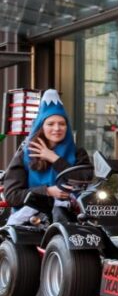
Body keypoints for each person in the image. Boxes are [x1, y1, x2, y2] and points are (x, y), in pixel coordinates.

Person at [3, 89, 91, 226]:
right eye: (51, 124)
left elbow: (85, 179)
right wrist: (47, 191)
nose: (57, 128)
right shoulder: (25, 155)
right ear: (41, 126)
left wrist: (55, 159)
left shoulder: (78, 153)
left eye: (62, 123)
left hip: (74, 218)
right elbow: (12, 196)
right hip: (31, 222)